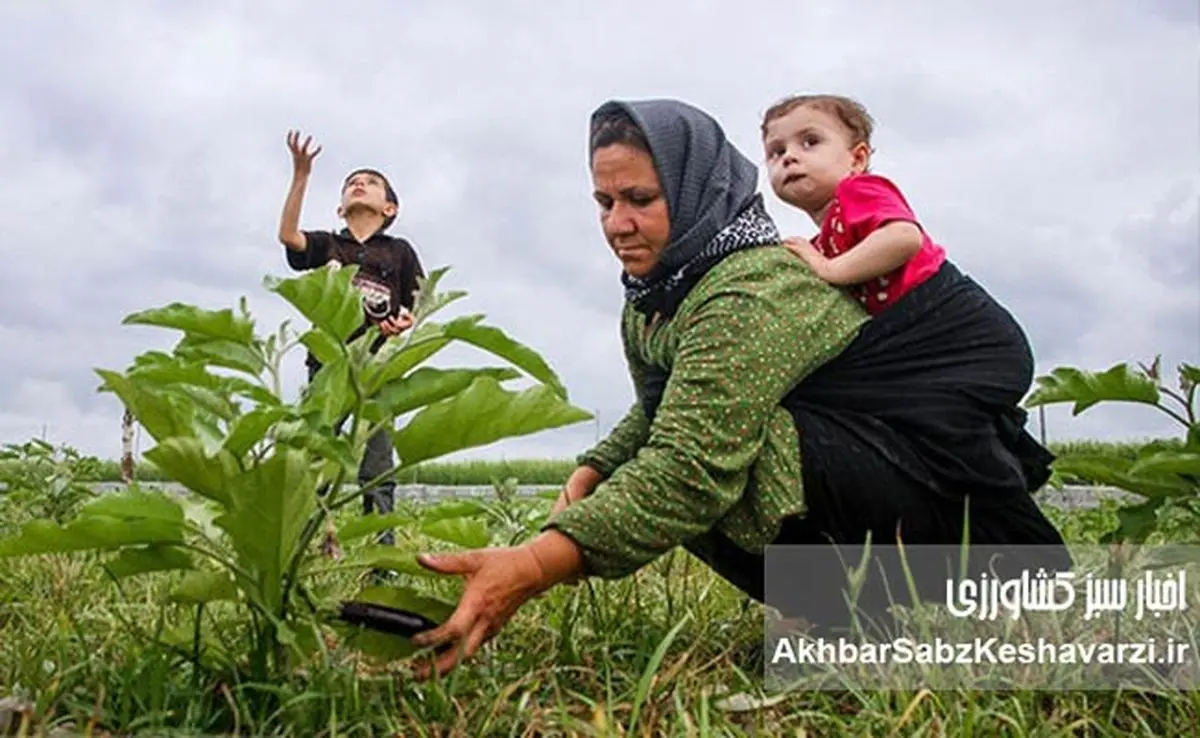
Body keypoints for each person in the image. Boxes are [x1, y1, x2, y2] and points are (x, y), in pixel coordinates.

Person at [404, 99, 1069, 680]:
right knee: (656, 463)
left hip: (915, 473)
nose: (617, 224)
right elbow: (663, 403)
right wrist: (595, 466)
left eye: (640, 199)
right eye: (605, 203)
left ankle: (906, 606)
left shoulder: (749, 287)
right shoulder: (654, 296)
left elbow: (691, 463)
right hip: (863, 458)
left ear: (695, 190)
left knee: (722, 462)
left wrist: (535, 564)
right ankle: (850, 622)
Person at [277, 130, 426, 550]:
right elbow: (289, 237)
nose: (360, 183)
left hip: (375, 373)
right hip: (327, 368)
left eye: (371, 182)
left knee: (376, 467)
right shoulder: (328, 245)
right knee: (312, 459)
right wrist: (301, 174)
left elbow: (418, 301)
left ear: (389, 207)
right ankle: (302, 548)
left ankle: (382, 555)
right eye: (351, 182)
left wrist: (404, 321)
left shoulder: (398, 251)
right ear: (340, 207)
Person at [760, 94, 943, 316]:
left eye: (810, 142)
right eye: (777, 152)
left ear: (857, 159)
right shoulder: (821, 246)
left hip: (946, 308)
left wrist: (828, 269)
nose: (789, 157)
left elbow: (904, 237)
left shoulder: (857, 190)